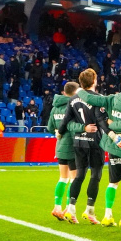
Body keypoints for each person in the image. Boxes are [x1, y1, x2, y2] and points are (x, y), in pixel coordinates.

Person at [75, 76, 121, 228]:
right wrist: (118, 126)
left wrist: (79, 89)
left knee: (113, 182)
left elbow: (89, 98)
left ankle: (108, 216)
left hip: (113, 147)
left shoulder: (111, 99)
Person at [57, 69, 121, 224]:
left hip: (78, 141)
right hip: (95, 142)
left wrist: (60, 132)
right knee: (95, 176)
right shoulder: (98, 99)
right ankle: (89, 210)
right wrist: (113, 135)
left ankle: (71, 209)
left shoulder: (73, 99)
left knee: (79, 175)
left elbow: (66, 120)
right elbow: (101, 121)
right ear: (94, 81)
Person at [47, 82, 83, 221]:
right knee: (74, 179)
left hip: (60, 146)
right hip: (72, 147)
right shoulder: (73, 106)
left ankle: (57, 207)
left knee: (63, 178)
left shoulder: (55, 107)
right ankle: (69, 208)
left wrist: (57, 132)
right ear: (75, 92)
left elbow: (50, 127)